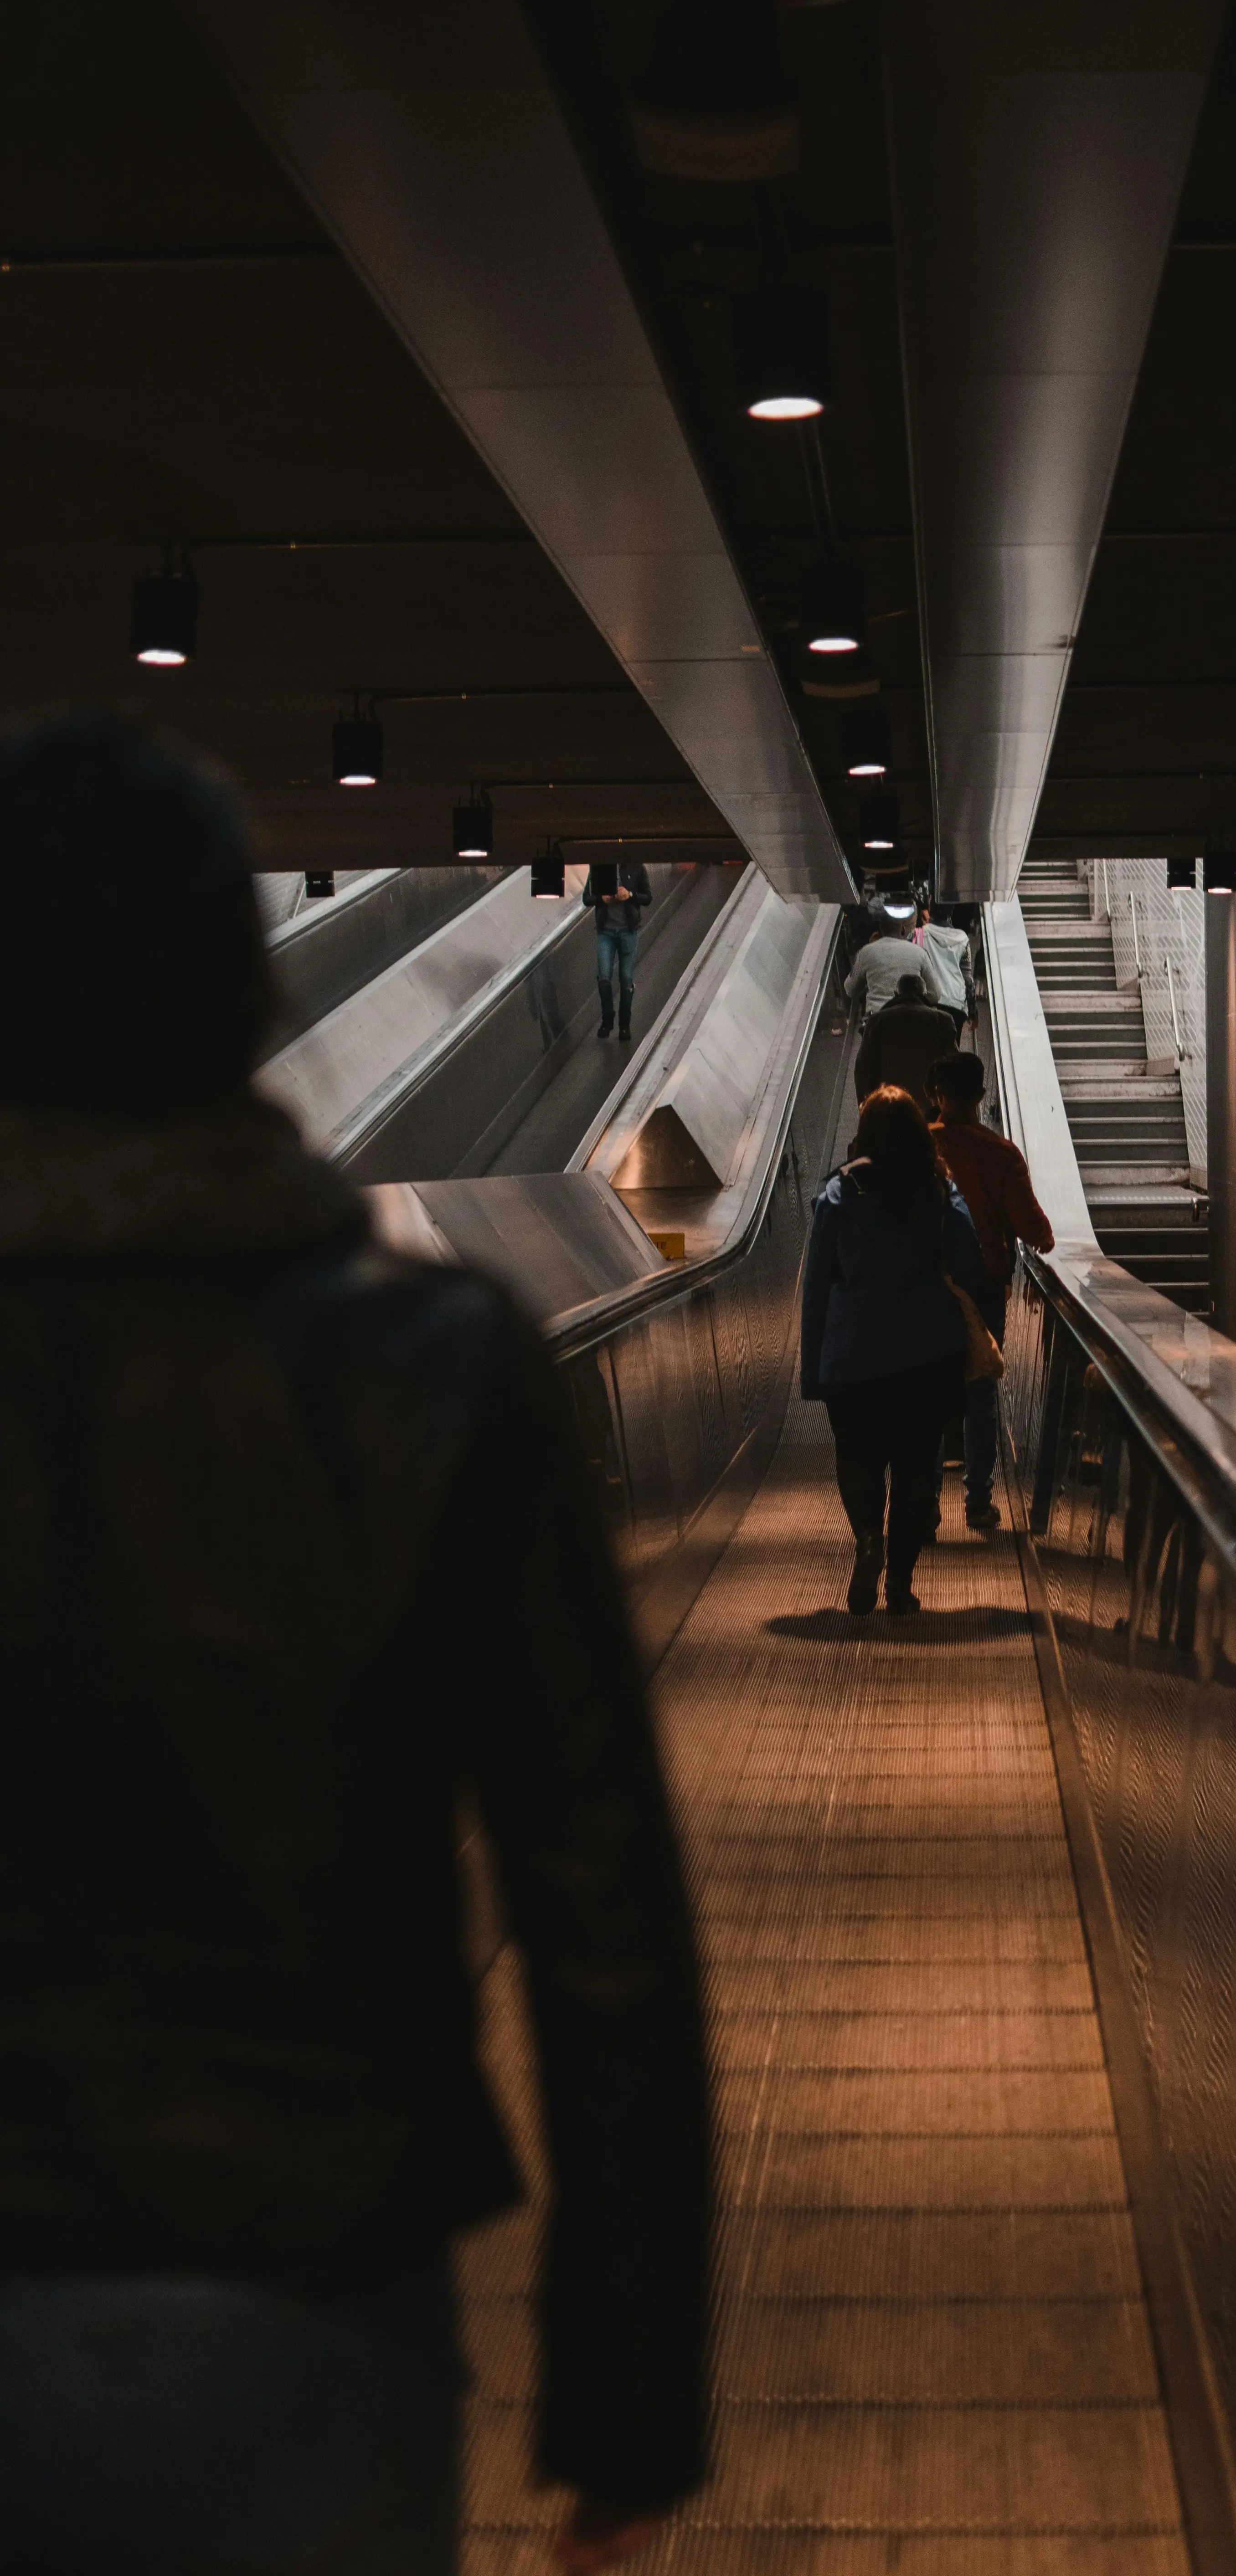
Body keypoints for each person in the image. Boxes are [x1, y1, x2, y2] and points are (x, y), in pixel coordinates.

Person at [0, 716, 709, 2576]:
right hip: (307, 2272)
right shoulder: (422, 1363)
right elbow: (601, 1906)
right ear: (235, 995)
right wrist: (630, 2399)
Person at [800, 1087, 986, 1616]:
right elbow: (970, 1262)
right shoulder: (937, 1189)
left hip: (854, 1353)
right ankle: (901, 1584)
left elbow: (817, 1288)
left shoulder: (839, 1193)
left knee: (858, 1457)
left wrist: (816, 1369)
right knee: (914, 1469)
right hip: (925, 1352)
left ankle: (866, 1540)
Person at [929, 1051, 1056, 1530]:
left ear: (938, 1096)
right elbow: (1034, 1229)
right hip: (983, 1286)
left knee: (929, 1391)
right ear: (982, 1096)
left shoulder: (922, 1148)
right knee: (981, 1392)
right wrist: (1040, 1238)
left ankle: (925, 1507)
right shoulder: (1001, 1154)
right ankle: (978, 1502)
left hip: (929, 1283)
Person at [852, 970, 958, 1114]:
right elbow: (955, 1065)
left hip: (890, 1104)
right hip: (930, 1107)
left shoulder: (876, 1021)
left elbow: (863, 1069)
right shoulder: (943, 1020)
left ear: (897, 994)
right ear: (924, 994)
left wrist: (865, 1107)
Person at [581, 857, 653, 1040]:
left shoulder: (637, 866)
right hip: (606, 932)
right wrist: (602, 899)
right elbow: (587, 898)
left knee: (626, 978)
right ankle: (608, 1018)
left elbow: (647, 898)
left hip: (628, 931)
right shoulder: (599, 867)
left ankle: (624, 1025)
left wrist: (630, 895)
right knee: (604, 977)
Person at [845, 919, 923, 1025]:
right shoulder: (919, 952)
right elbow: (936, 994)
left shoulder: (866, 952)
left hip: (877, 1020)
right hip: (911, 1019)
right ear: (903, 930)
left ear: (879, 931)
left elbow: (850, 990)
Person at [909, 905, 971, 1035]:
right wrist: (973, 1011)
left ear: (930, 912)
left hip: (926, 1002)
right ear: (951, 914)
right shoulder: (963, 939)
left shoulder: (917, 935)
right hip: (955, 1004)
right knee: (952, 1051)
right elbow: (967, 977)